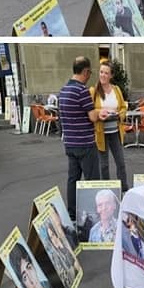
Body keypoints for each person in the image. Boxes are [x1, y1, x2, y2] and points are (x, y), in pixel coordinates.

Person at [59, 56, 100, 222]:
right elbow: (92, 117)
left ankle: (72, 214)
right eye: (89, 72)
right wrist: (99, 112)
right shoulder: (82, 91)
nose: (89, 75)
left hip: (70, 143)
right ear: (84, 71)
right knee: (92, 181)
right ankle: (94, 215)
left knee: (73, 180)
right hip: (85, 143)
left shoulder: (63, 90)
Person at [91, 62, 128, 191]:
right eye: (101, 72)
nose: (103, 75)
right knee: (104, 165)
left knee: (121, 163)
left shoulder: (116, 90)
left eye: (106, 73)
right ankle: (105, 192)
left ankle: (124, 190)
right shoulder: (93, 91)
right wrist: (99, 113)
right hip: (101, 133)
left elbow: (123, 107)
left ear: (111, 75)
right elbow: (89, 111)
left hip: (115, 132)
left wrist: (120, 115)